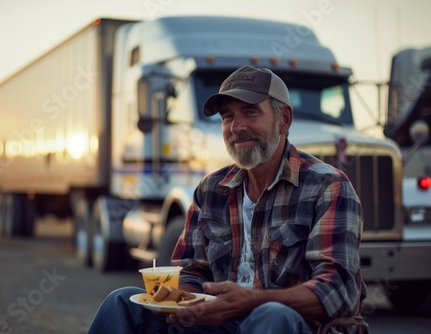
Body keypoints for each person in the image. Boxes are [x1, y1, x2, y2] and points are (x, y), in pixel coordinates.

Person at [87, 66, 367, 333]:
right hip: (220, 325)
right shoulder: (210, 190)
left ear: (284, 120)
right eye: (227, 117)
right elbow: (190, 270)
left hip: (296, 326)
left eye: (250, 112)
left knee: (272, 315)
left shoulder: (327, 186)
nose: (237, 127)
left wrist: (250, 302)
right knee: (122, 301)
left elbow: (338, 291)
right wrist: (186, 299)